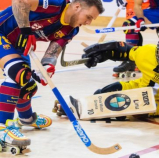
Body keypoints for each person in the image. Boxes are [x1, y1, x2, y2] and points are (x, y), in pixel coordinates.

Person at [0, 0, 104, 150]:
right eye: (88, 17)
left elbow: (52, 53)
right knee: (19, 73)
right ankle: (3, 127)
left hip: (17, 45)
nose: (88, 22)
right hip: (2, 32)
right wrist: (25, 30)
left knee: (27, 85)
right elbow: (20, 1)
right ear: (77, 7)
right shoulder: (54, 3)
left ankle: (27, 119)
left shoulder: (71, 29)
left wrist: (47, 67)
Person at [62, 35, 159, 131]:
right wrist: (101, 54)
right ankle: (81, 105)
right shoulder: (148, 51)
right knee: (105, 92)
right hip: (138, 87)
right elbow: (124, 51)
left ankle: (83, 111)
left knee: (132, 104)